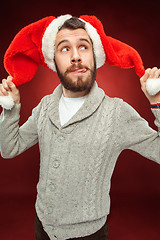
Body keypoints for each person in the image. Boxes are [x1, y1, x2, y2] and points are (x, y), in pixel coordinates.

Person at [0, 16, 160, 240]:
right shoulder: (45, 106)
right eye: (64, 49)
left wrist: (157, 103)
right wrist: (11, 108)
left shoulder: (116, 113)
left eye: (83, 47)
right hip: (42, 227)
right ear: (53, 60)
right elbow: (9, 148)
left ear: (95, 55)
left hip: (88, 234)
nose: (76, 56)